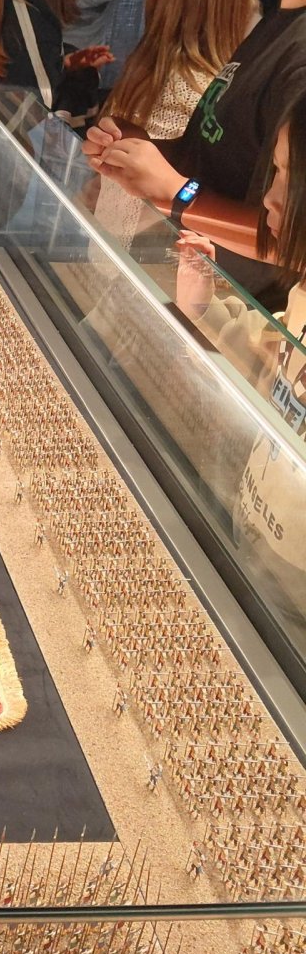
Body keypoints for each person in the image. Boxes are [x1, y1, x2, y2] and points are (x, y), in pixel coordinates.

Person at [86, 0, 306, 310]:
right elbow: (216, 149)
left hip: (230, 308)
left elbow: (292, 238)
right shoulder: (281, 27)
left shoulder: (296, 55)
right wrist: (140, 150)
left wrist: (175, 191)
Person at [175, 99, 306, 637]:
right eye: (275, 172)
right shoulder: (303, 290)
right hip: (255, 534)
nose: (270, 199)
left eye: (290, 178)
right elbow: (274, 369)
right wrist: (206, 308)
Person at [95, 0, 264, 246]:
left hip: (118, 260)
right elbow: (143, 214)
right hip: (154, 266)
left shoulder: (151, 68)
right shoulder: (197, 91)